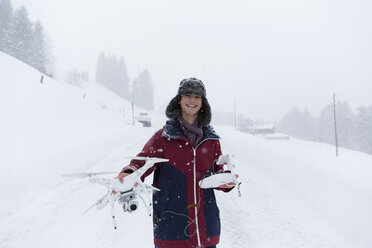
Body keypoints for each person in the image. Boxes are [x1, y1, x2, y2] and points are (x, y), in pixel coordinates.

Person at [117, 78, 237, 248]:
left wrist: (226, 180)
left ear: (203, 103)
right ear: (179, 100)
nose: (192, 101)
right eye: (187, 95)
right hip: (171, 230)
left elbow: (218, 170)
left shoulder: (211, 140)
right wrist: (129, 173)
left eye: (197, 97)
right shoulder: (163, 137)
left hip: (206, 230)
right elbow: (141, 162)